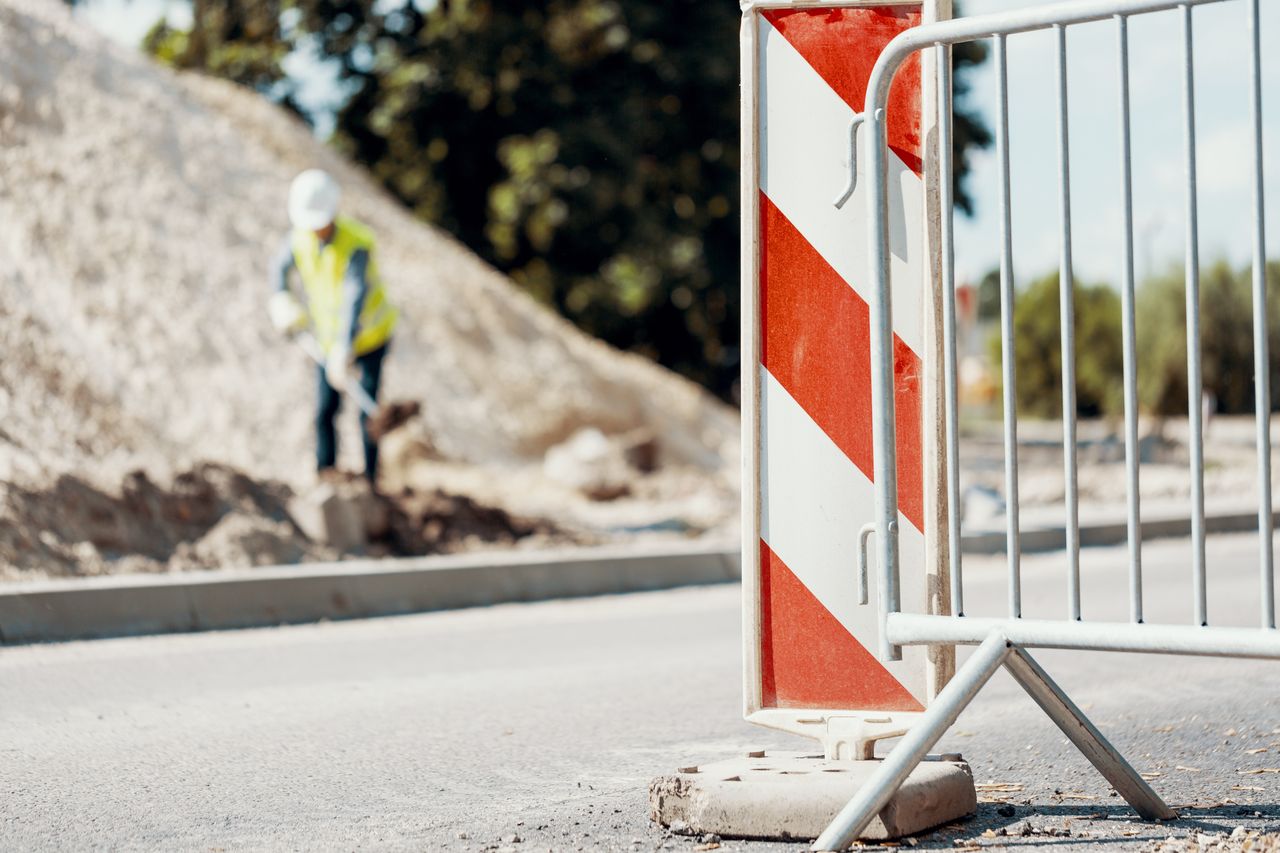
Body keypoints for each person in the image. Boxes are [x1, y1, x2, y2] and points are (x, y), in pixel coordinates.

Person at [267, 169, 399, 484]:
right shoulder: (299, 237)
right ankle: (325, 474)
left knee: (369, 413)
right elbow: (279, 269)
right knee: (325, 409)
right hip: (328, 342)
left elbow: (355, 296)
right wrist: (280, 299)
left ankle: (371, 480)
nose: (315, 230)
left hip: (370, 339)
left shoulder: (356, 242)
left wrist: (345, 347)